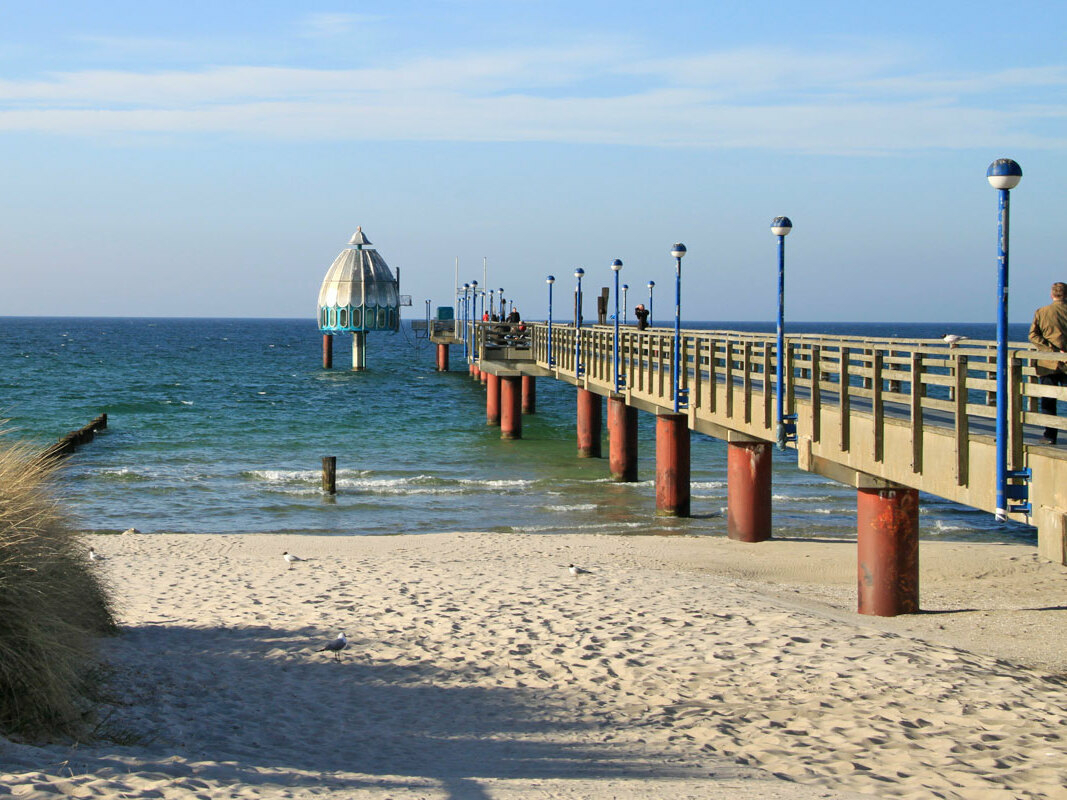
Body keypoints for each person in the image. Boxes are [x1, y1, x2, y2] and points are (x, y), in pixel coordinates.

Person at [1029, 281, 1067, 445]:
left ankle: (1050, 435)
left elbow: (1033, 335)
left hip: (1047, 363)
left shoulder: (1042, 312)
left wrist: (1050, 349)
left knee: (1048, 401)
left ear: (1052, 295)